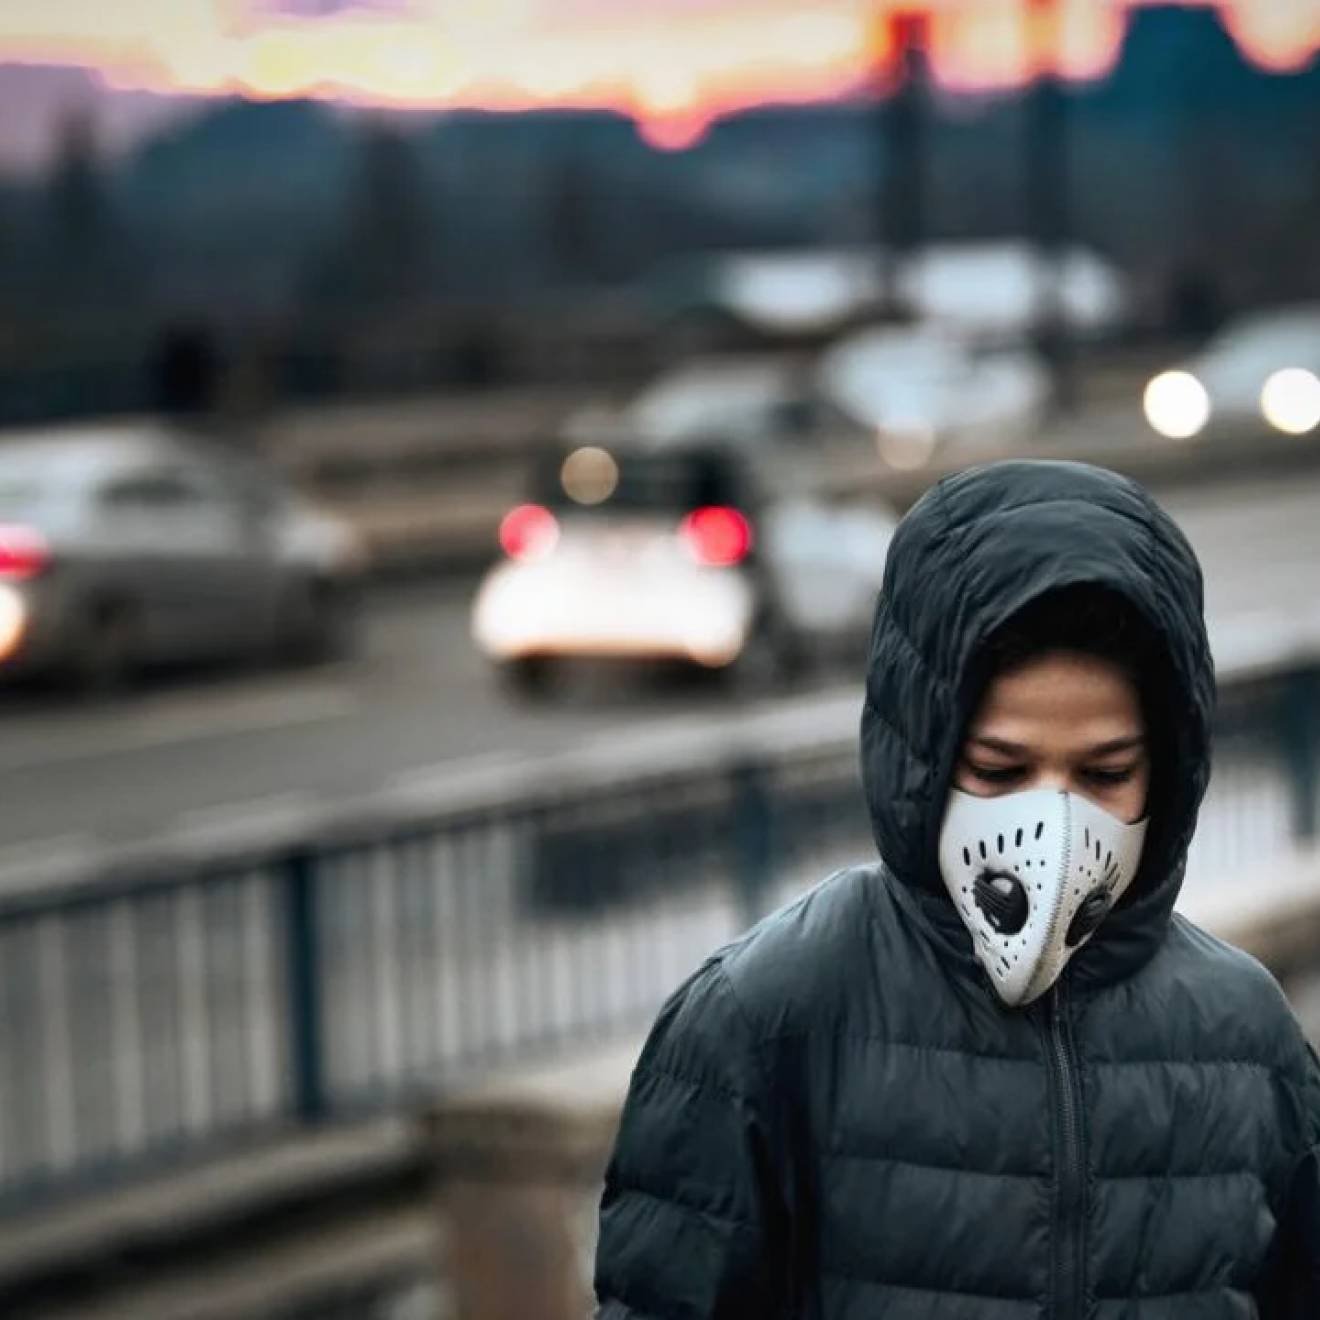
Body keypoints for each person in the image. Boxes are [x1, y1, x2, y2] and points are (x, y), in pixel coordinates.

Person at [594, 459, 1320, 1318]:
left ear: (1169, 771)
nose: (1055, 822)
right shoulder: (766, 1017)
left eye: (1106, 772)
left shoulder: (1245, 1033)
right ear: (923, 754)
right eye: (1000, 769)